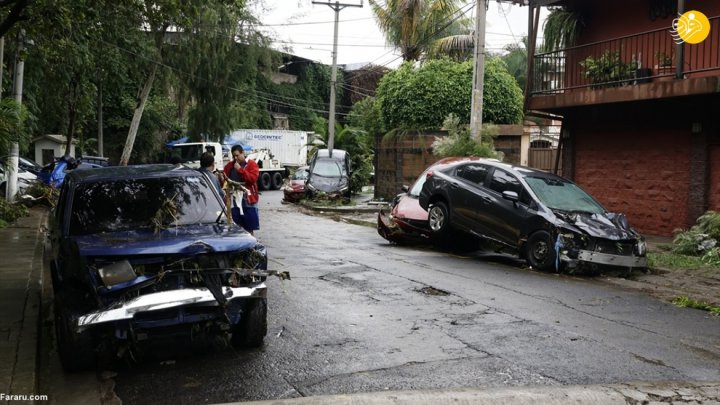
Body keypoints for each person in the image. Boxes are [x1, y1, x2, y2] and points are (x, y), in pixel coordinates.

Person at [223, 144, 260, 234]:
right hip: (234, 202)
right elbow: (225, 181)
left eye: (237, 155)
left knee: (249, 228)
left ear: (242, 153)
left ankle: (251, 246)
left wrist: (240, 170)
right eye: (234, 156)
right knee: (235, 228)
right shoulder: (229, 166)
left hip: (248, 202)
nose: (236, 158)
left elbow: (252, 179)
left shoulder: (251, 164)